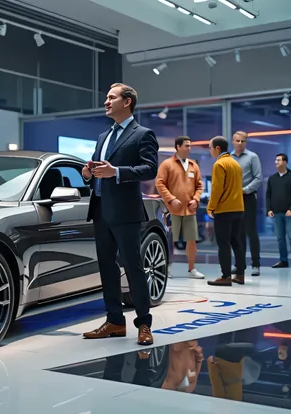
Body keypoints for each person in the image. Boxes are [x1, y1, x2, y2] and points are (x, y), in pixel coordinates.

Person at [81, 83, 159, 346]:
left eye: (111, 98)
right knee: (107, 268)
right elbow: (97, 167)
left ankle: (144, 324)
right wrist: (88, 173)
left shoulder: (142, 134)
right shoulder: (103, 137)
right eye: (106, 98)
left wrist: (117, 172)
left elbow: (149, 170)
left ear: (127, 102)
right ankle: (114, 321)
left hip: (125, 213)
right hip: (101, 209)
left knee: (134, 268)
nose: (106, 101)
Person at [155, 136, 205, 279]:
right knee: (170, 240)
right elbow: (160, 184)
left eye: (190, 146)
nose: (189, 148)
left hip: (189, 209)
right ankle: (167, 268)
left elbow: (200, 185)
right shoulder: (167, 164)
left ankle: (192, 269)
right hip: (172, 210)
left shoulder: (193, 165)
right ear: (178, 147)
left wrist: (196, 199)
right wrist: (171, 199)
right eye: (187, 146)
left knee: (191, 240)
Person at [206, 136, 245, 286]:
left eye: (210, 148)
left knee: (223, 243)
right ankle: (240, 275)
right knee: (237, 242)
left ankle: (226, 276)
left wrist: (210, 207)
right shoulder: (235, 164)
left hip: (224, 210)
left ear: (217, 149)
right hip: (238, 208)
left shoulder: (219, 164)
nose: (210, 151)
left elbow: (216, 189)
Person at [231, 131, 262, 277]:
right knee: (237, 233)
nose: (239, 143)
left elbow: (258, 178)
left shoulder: (252, 157)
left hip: (248, 197)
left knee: (250, 231)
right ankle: (239, 265)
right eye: (237, 141)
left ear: (246, 142)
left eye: (242, 141)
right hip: (233, 199)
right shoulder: (228, 158)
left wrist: (245, 190)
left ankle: (255, 264)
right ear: (233, 141)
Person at [266, 153, 291, 270]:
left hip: (290, 212)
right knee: (280, 238)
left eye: (278, 160)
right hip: (277, 212)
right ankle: (283, 260)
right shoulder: (272, 178)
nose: (276, 162)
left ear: (285, 162)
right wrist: (269, 209)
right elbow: (268, 195)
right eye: (275, 160)